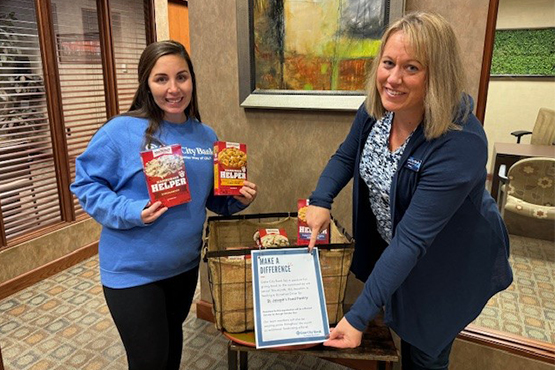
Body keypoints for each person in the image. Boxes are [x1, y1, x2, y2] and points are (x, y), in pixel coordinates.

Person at [305, 12, 512, 370]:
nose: (393, 79)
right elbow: (346, 155)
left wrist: (357, 319)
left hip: (448, 263)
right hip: (401, 248)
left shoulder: (460, 142)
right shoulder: (379, 107)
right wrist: (321, 199)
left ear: (437, 74)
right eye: (388, 63)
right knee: (401, 326)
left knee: (426, 350)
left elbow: (413, 241)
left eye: (411, 68)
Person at [70, 40, 257, 370]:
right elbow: (86, 184)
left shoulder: (205, 135)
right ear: (146, 83)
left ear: (192, 81)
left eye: (182, 77)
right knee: (150, 360)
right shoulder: (121, 131)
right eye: (161, 79)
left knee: (171, 350)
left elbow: (210, 199)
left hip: (183, 268)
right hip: (133, 272)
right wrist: (133, 211)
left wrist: (236, 199)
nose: (174, 88)